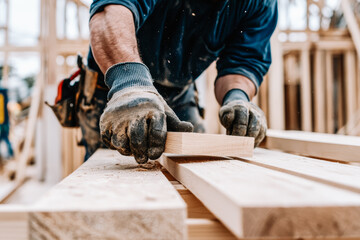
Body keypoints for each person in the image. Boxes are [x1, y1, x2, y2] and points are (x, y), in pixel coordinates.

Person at [80, 0, 278, 163]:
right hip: (116, 83)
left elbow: (242, 62)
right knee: (111, 176)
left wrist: (237, 96)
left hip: (179, 92)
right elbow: (111, 11)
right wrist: (130, 84)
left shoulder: (260, 3)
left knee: (199, 168)